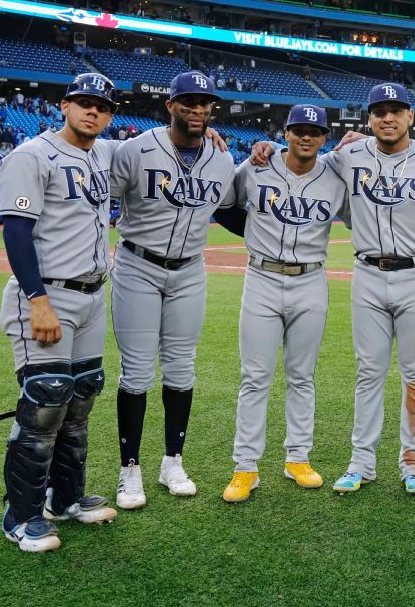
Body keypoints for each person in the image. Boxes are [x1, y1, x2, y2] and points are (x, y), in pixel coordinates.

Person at [0, 73, 121, 552]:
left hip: (92, 295)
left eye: (102, 106)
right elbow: (16, 232)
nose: (92, 112)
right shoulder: (31, 155)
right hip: (48, 296)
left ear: (110, 115)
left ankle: (65, 497)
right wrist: (37, 300)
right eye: (84, 103)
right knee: (45, 403)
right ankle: (21, 515)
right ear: (64, 105)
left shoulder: (102, 154)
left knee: (81, 398)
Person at [109, 71, 238, 511]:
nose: (197, 109)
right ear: (171, 105)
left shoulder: (222, 158)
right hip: (137, 265)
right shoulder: (135, 150)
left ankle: (172, 462)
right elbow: (96, 192)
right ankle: (130, 469)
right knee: (137, 372)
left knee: (182, 369)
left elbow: (233, 210)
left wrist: (267, 148)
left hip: (189, 270)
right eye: (188, 102)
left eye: (204, 103)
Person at [323, 82, 415, 496]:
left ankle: (413, 461)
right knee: (369, 372)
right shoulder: (347, 156)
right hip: (366, 272)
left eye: (396, 110)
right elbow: (300, 159)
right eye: (379, 110)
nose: (387, 117)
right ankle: (361, 461)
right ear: (368, 119)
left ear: (411, 117)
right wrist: (262, 150)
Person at [217, 105, 347, 502]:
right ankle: (245, 467)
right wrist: (256, 229)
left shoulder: (337, 176)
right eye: (299, 130)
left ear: (325, 137)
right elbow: (224, 207)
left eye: (315, 131)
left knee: (302, 376)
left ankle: (297, 458)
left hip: (310, 279)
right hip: (262, 277)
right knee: (254, 377)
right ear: (286, 133)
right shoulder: (256, 166)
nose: (307, 137)